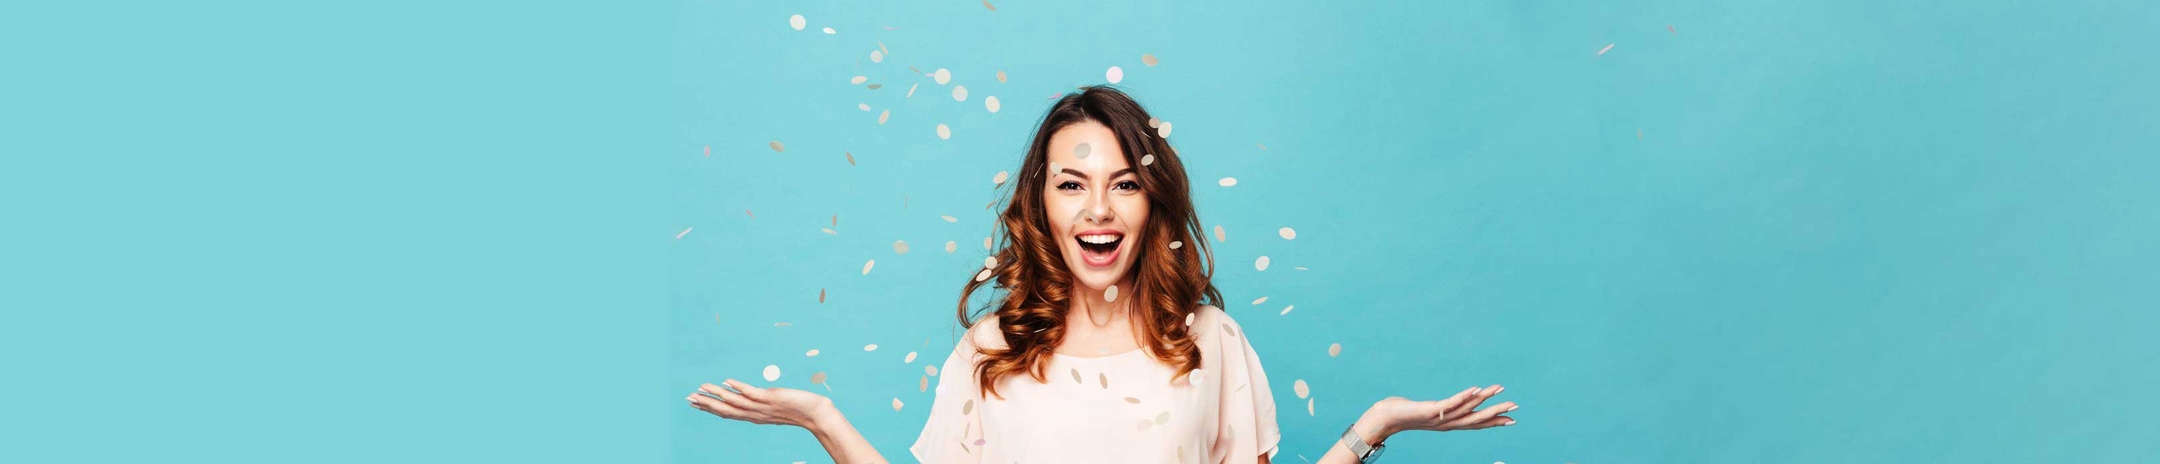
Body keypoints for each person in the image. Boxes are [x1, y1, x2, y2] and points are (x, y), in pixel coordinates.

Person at [687, 86, 1519, 464]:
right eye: (1072, 184)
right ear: (1040, 203)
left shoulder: (1210, 344)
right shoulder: (992, 350)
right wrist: (823, 420)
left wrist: (1371, 431)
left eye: (1125, 183)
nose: (1099, 209)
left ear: (1153, 202)